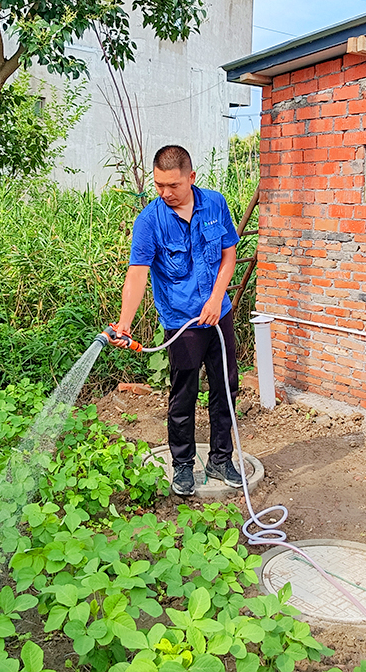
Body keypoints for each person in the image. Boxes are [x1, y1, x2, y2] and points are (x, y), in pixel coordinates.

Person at [111, 145, 242, 496]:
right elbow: (137, 275)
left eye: (173, 185)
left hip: (219, 315)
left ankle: (221, 458)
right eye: (159, 185)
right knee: (184, 394)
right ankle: (182, 465)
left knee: (226, 389)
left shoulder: (215, 203)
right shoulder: (150, 221)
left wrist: (216, 299)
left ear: (191, 178)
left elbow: (229, 254)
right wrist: (124, 323)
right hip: (182, 323)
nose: (166, 193)